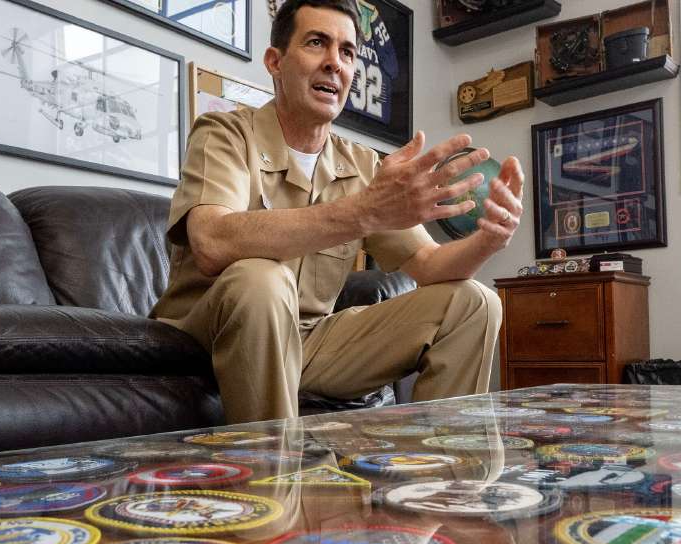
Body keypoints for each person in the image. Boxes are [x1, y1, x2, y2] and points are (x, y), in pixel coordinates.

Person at [154, 0, 524, 424]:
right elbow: (213, 241)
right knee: (261, 279)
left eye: (347, 52)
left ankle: (432, 478)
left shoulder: (364, 165)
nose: (335, 63)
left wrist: (489, 240)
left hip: (307, 341)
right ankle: (279, 478)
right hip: (210, 337)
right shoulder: (225, 133)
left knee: (476, 302)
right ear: (275, 62)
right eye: (317, 43)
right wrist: (362, 213)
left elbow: (428, 264)